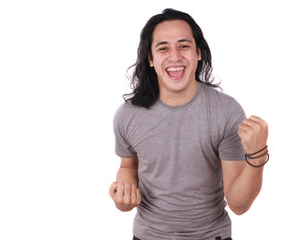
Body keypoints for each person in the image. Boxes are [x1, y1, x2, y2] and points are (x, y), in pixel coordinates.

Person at [109, 8, 269, 240]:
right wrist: (124, 198)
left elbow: (238, 205)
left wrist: (257, 156)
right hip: (147, 236)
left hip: (210, 235)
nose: (174, 57)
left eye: (183, 46)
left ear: (199, 53)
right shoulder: (127, 115)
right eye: (163, 48)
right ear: (151, 59)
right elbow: (128, 167)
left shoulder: (226, 111)